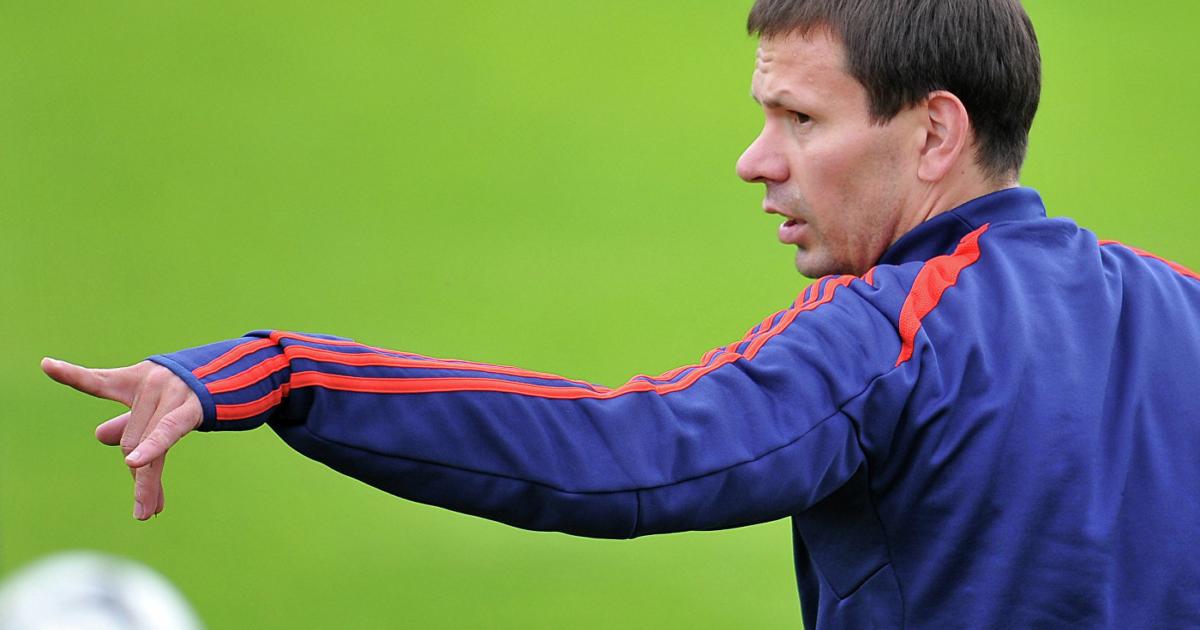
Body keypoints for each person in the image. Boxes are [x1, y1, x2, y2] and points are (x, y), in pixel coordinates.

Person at [42, 0, 1200, 628]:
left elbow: (628, 455)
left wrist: (288, 372)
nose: (756, 160)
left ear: (935, 132)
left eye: (800, 120)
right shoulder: (1181, 305)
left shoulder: (893, 332)